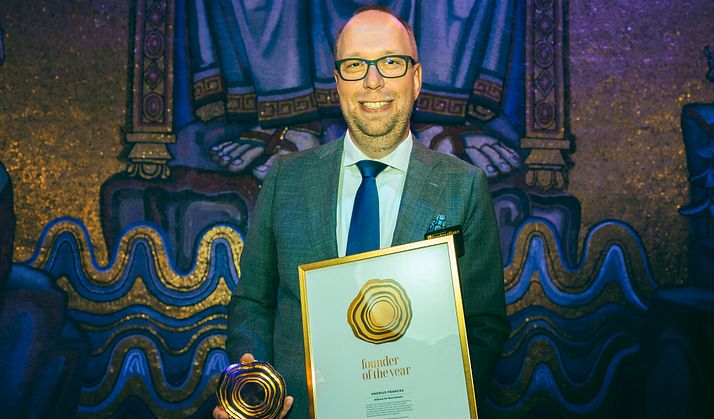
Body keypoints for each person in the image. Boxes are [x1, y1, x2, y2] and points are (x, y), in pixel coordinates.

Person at [214, 7, 509, 418]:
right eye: (355, 65)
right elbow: (252, 303)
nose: (373, 81)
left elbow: (483, 323)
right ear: (337, 83)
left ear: (416, 79)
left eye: (391, 62)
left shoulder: (464, 186)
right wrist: (255, 388)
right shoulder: (286, 177)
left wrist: (439, 401)